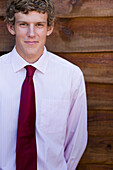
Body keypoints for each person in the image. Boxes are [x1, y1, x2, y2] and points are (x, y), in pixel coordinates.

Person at [0, 0, 87, 170]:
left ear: (49, 28)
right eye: (23, 24)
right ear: (11, 27)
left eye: (39, 25)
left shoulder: (70, 76)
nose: (31, 34)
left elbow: (76, 139)